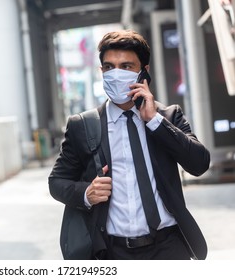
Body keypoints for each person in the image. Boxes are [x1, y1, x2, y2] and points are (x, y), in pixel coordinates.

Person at [48, 30, 210, 260]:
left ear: (144, 71)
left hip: (169, 247)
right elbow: (57, 181)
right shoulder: (82, 126)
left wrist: (155, 121)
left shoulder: (168, 116)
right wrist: (86, 193)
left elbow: (199, 164)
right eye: (109, 67)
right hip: (113, 252)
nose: (116, 74)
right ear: (101, 71)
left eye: (126, 66)